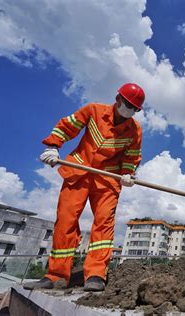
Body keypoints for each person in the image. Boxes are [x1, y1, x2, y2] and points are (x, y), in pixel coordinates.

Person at [23, 83, 144, 291]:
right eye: (127, 105)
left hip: (107, 180)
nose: (129, 111)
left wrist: (128, 174)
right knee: (65, 221)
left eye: (134, 109)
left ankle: (96, 274)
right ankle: (56, 276)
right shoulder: (93, 110)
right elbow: (67, 126)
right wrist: (53, 147)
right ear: (117, 99)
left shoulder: (135, 130)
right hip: (78, 171)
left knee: (103, 224)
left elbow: (131, 156)